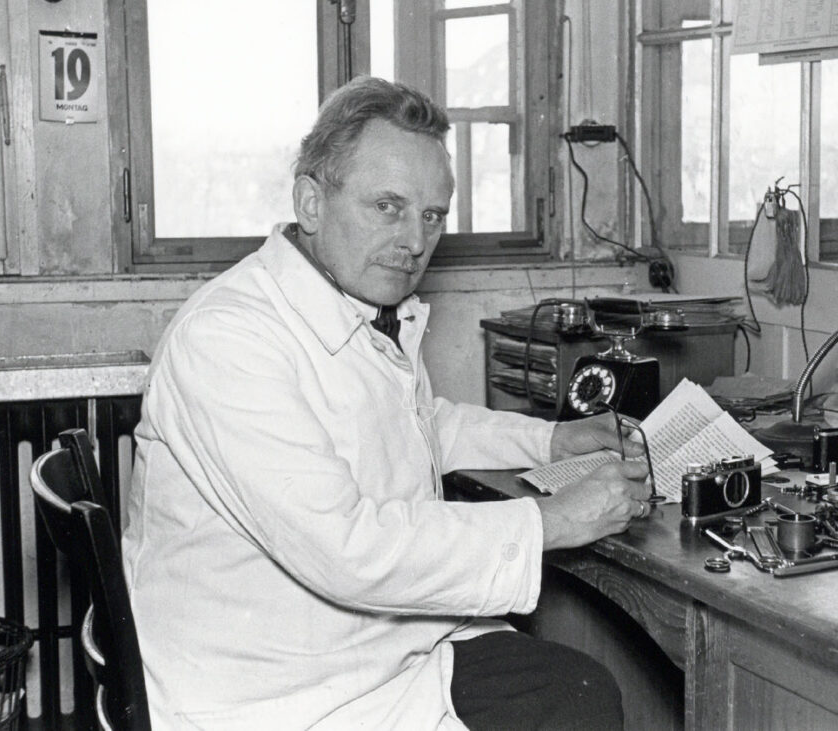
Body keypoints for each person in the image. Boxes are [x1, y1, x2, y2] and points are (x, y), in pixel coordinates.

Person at [122, 76, 652, 729]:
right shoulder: (231, 337)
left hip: (344, 650)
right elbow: (346, 547)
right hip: (270, 692)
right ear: (312, 203)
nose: (414, 239)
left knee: (571, 683)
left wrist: (552, 442)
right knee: (577, 697)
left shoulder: (351, 305)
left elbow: (419, 424)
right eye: (388, 206)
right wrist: (553, 520)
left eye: (432, 215)